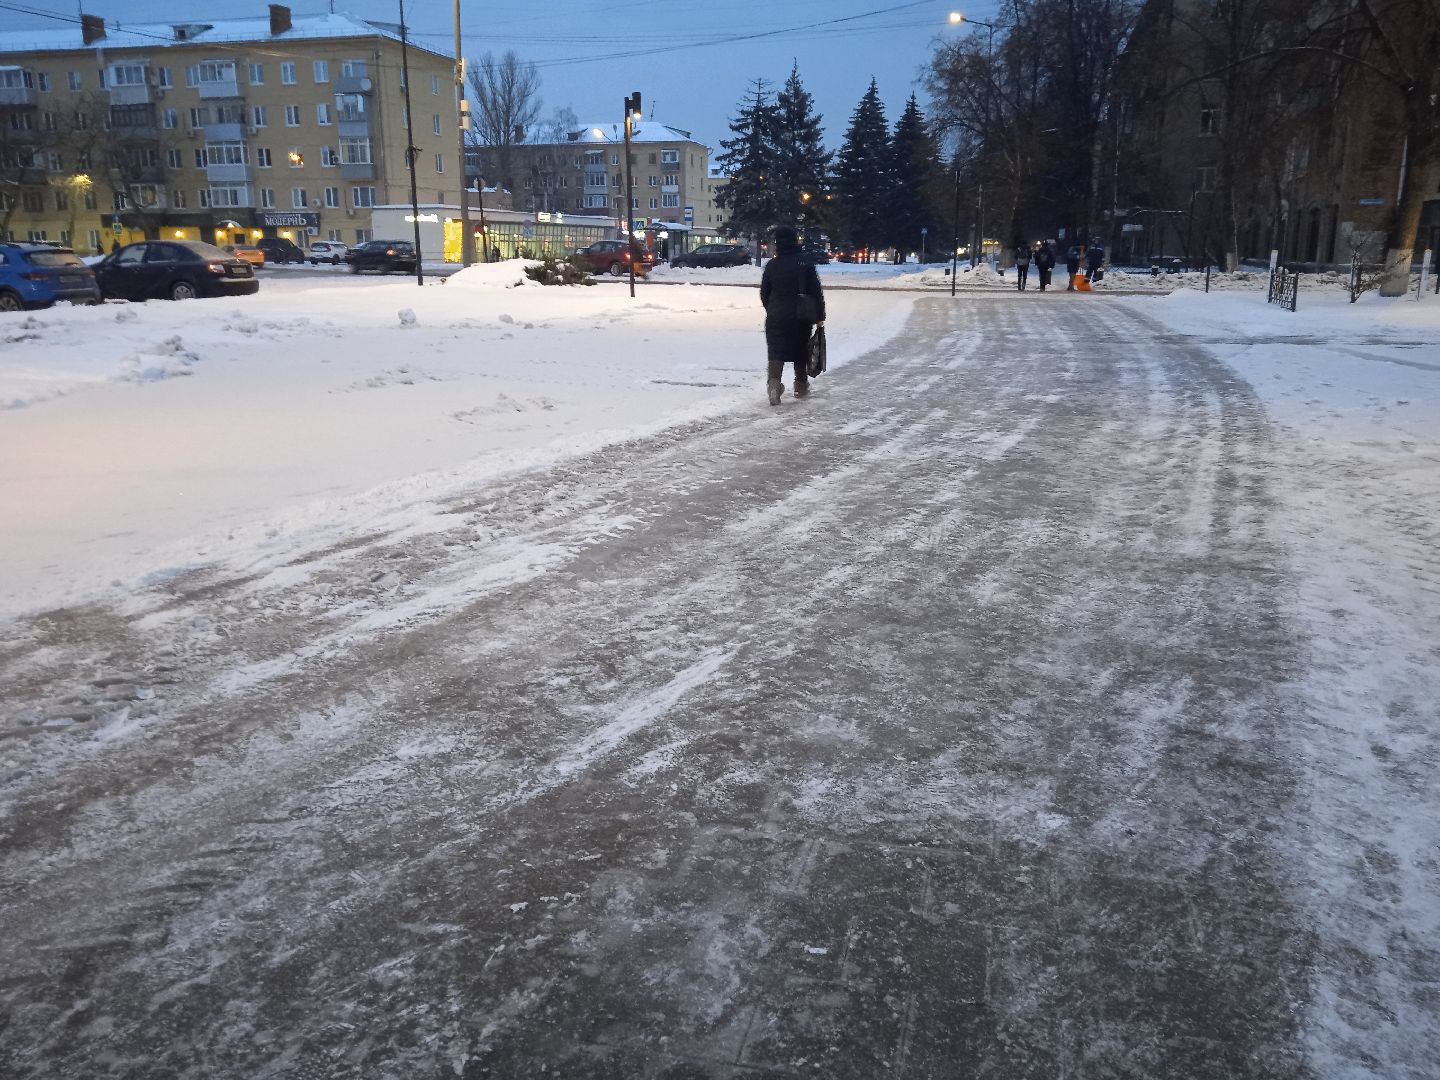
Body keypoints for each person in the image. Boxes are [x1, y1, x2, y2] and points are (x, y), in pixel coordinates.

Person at [760, 225, 825, 406]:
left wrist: (772, 308)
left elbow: (764, 292)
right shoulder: (805, 263)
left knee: (776, 351)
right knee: (800, 350)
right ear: (795, 240)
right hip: (800, 315)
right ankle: (801, 385)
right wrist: (820, 316)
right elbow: (816, 292)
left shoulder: (772, 265)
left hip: (776, 316)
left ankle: (773, 384)